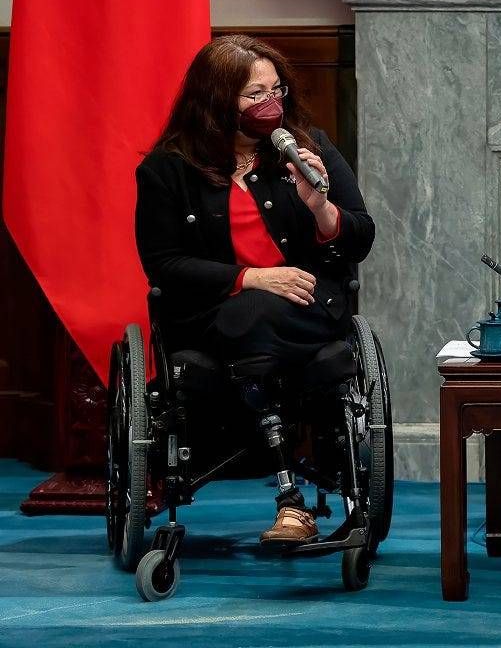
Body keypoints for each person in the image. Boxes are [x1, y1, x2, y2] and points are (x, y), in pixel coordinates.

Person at [135, 34, 374, 546]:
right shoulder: (167, 169)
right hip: (214, 317)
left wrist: (320, 207)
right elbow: (164, 265)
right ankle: (291, 500)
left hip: (308, 308)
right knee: (249, 313)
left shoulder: (307, 148)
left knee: (261, 316)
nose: (272, 103)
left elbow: (361, 235)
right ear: (217, 100)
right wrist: (252, 278)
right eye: (255, 94)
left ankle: (292, 501)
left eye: (276, 89)